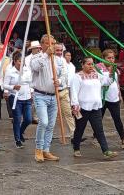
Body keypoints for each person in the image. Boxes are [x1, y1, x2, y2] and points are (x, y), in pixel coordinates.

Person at [71, 56, 118, 159]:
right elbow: (74, 92)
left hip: (96, 107)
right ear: (82, 65)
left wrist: (111, 74)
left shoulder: (97, 75)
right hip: (82, 108)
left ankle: (106, 151)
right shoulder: (77, 76)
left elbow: (107, 82)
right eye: (88, 64)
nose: (91, 66)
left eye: (92, 64)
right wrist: (75, 105)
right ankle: (76, 148)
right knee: (80, 129)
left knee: (99, 130)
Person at [30, 34, 62, 162]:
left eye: (53, 44)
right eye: (49, 44)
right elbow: (36, 67)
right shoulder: (36, 57)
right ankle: (38, 149)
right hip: (40, 95)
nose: (51, 46)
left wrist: (59, 81)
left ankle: (46, 150)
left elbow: (63, 75)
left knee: (51, 125)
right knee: (43, 122)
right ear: (42, 45)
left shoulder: (58, 59)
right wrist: (46, 55)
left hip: (53, 95)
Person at [96, 49, 124, 149]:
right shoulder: (98, 68)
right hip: (102, 98)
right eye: (108, 58)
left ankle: (123, 139)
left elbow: (117, 83)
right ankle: (96, 136)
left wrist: (119, 95)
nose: (111, 60)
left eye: (112, 58)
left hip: (113, 98)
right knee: (98, 120)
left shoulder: (115, 69)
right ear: (103, 58)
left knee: (117, 119)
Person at [4, 51, 32, 148]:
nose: (21, 63)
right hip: (16, 98)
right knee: (17, 119)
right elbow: (5, 85)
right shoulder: (10, 71)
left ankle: (20, 132)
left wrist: (31, 91)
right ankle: (17, 140)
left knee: (28, 119)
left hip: (27, 97)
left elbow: (30, 82)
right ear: (15, 61)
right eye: (19, 61)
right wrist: (13, 87)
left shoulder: (27, 70)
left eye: (22, 61)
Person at [54, 43, 75, 140]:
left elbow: (64, 75)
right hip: (52, 93)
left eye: (60, 51)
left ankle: (74, 134)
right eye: (57, 50)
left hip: (64, 90)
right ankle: (47, 137)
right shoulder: (49, 60)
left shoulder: (64, 61)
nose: (59, 52)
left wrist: (60, 81)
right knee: (52, 116)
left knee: (68, 114)